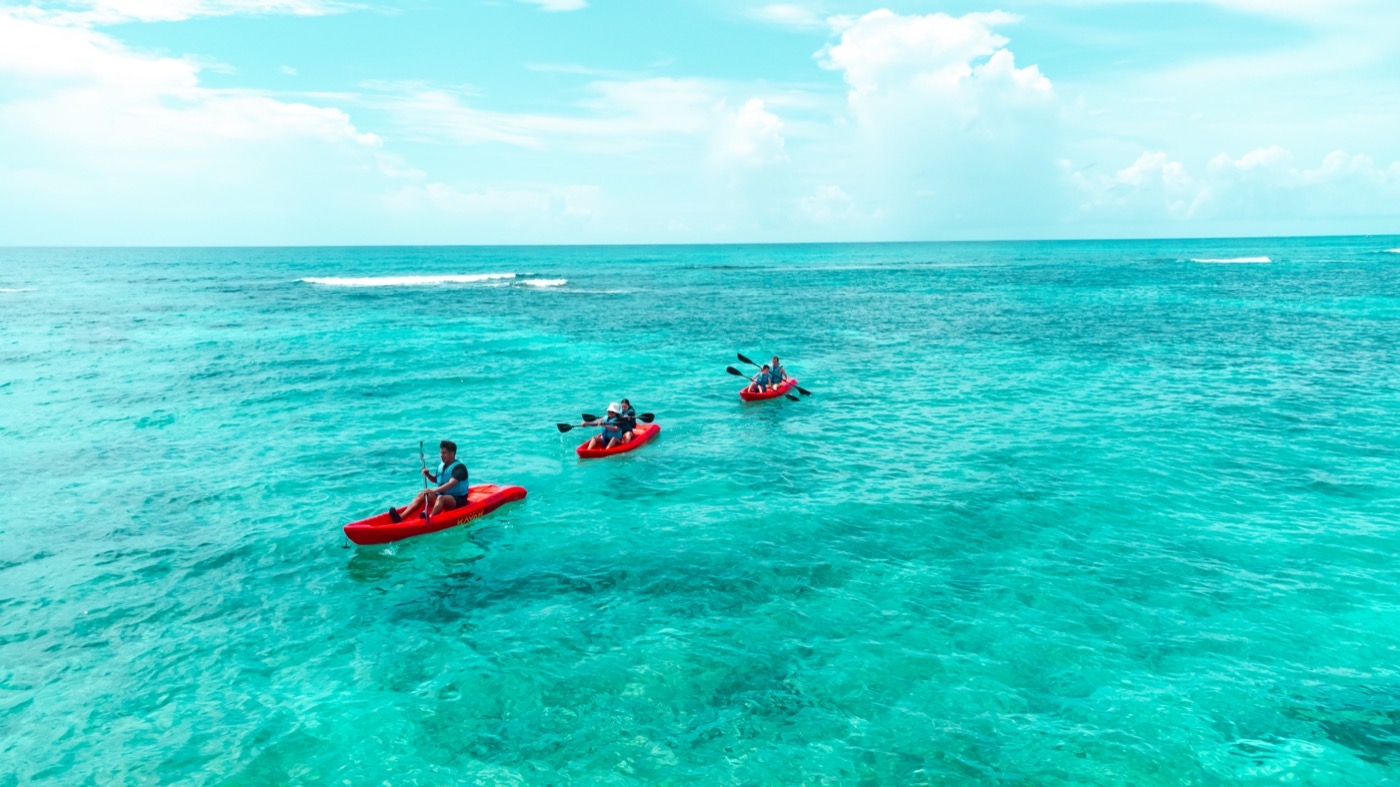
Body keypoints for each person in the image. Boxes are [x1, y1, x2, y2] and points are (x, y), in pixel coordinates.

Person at [389, 440, 470, 522]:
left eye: (444, 453)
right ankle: (401, 517)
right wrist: (428, 475)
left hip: (458, 501)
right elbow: (436, 480)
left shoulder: (459, 468)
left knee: (440, 498)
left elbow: (450, 484)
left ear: (452, 453)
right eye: (441, 453)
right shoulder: (442, 466)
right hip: (443, 498)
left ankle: (430, 519)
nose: (441, 455)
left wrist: (433, 490)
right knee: (423, 494)